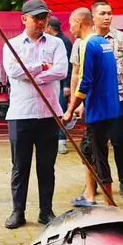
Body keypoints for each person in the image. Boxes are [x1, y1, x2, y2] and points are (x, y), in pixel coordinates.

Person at [2, 0, 68, 229]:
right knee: (20, 166)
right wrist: (41, 66)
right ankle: (17, 211)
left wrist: (31, 76)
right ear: (24, 19)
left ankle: (45, 211)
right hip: (21, 113)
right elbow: (12, 71)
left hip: (49, 113)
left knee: (46, 166)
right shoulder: (12, 45)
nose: (41, 22)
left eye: (44, 17)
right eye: (36, 18)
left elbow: (61, 70)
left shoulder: (57, 44)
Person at [63, 7, 122, 207]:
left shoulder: (87, 44)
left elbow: (84, 82)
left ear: (80, 22)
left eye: (71, 23)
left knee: (99, 157)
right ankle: (92, 196)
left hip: (100, 111)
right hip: (109, 107)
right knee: (88, 149)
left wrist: (70, 109)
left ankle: (110, 206)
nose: (70, 28)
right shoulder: (103, 42)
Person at [90, 0, 123, 200]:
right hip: (94, 102)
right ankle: (97, 183)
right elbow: (76, 73)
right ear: (93, 16)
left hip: (117, 98)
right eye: (102, 13)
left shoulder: (122, 39)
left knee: (119, 141)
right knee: (95, 145)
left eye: (109, 13)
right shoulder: (85, 40)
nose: (107, 17)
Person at [46, 15, 74, 154]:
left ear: (50, 28)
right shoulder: (55, 41)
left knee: (61, 112)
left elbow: (69, 66)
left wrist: (67, 85)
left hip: (63, 85)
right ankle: (55, 139)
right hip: (55, 84)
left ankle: (62, 141)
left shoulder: (63, 42)